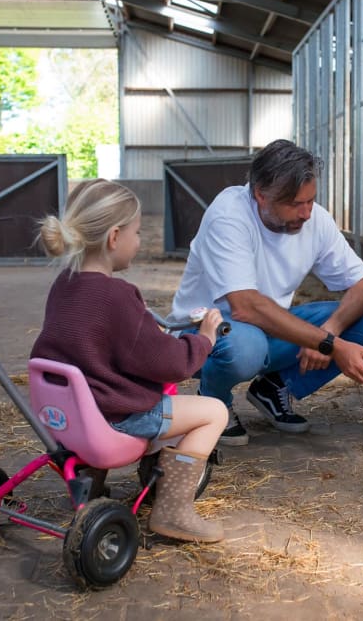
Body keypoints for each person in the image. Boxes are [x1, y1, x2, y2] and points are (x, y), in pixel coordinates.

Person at [31, 179, 228, 543]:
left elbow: (90, 343)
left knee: (103, 380)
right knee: (214, 412)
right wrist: (202, 340)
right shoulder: (118, 296)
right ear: (114, 237)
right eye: (138, 232)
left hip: (69, 417)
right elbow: (166, 363)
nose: (140, 241)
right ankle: (174, 512)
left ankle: (90, 484)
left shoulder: (65, 284)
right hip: (117, 419)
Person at [170, 139, 363, 446]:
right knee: (246, 349)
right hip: (210, 331)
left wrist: (329, 332)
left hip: (271, 327)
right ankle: (214, 401)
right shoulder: (228, 215)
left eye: (311, 201)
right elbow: (245, 307)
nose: (307, 213)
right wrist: (330, 345)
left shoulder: (315, 219)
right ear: (260, 194)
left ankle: (274, 388)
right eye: (296, 204)